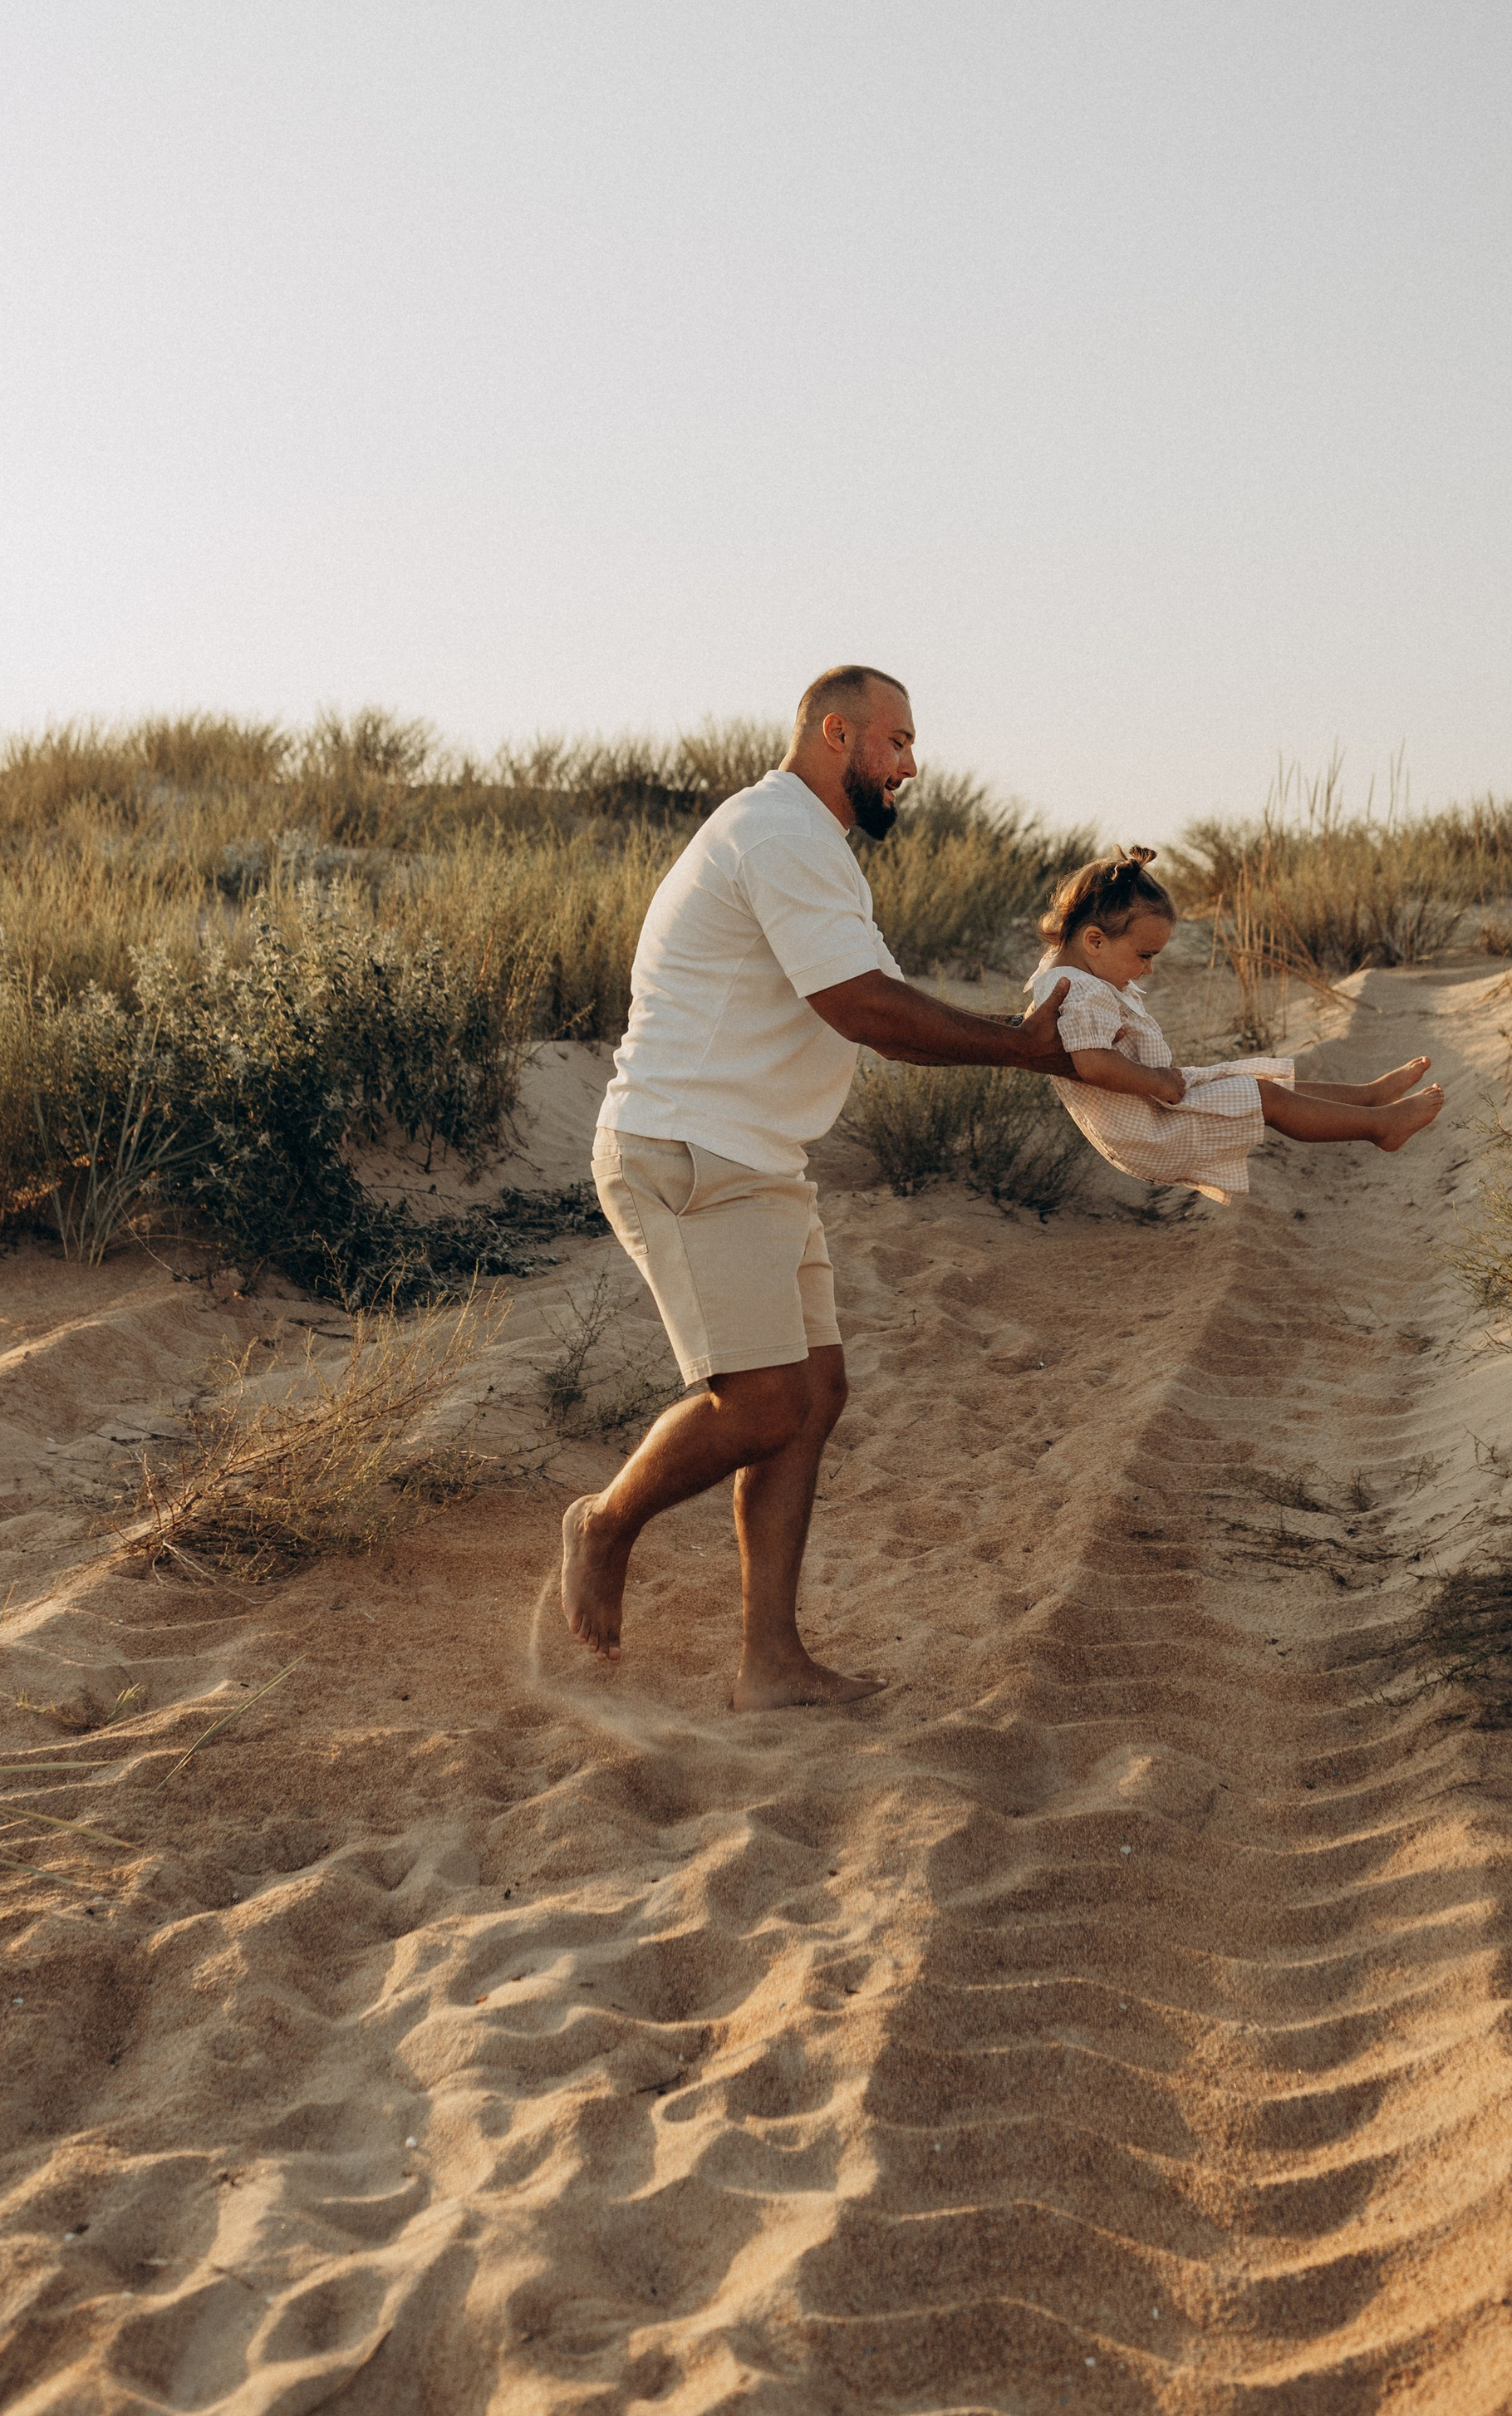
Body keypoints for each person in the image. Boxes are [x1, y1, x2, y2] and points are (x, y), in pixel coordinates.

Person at [561, 665, 1078, 1710]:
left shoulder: (812, 848)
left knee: (812, 1399)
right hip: (689, 1149)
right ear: (836, 734)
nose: (911, 766)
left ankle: (769, 1664)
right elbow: (864, 1008)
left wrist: (1017, 1042)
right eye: (897, 743)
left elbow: (876, 997)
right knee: (762, 1404)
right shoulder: (782, 835)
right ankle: (606, 1521)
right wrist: (1023, 1051)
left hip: (755, 1157)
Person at [1025, 848, 1444, 1202]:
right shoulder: (1080, 991)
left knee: (1254, 1080)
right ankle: (1379, 1127)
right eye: (1145, 955)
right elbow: (1094, 1065)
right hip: (1151, 1129)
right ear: (1095, 941)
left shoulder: (1062, 972)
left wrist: (1162, 1082)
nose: (1149, 970)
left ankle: (1366, 1098)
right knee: (1264, 1097)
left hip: (1159, 1104)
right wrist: (1157, 1081)